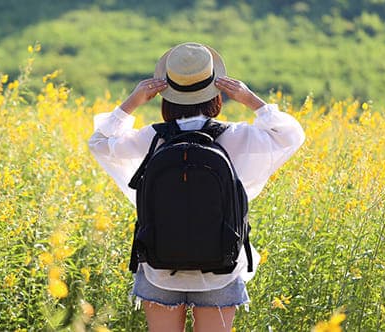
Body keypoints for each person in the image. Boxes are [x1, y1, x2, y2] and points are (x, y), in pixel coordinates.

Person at [88, 42, 305, 332]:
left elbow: (99, 143)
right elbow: (291, 136)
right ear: (216, 93)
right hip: (221, 268)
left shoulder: (151, 137)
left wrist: (132, 102)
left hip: (159, 268)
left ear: (165, 94)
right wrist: (249, 98)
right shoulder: (237, 136)